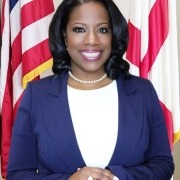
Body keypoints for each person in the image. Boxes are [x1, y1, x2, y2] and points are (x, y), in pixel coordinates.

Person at [7, 0, 174, 179]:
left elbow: (162, 163)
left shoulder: (142, 92)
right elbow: (18, 174)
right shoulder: (37, 95)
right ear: (64, 36)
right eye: (79, 29)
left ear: (113, 35)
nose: (92, 40)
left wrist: (118, 177)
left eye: (102, 30)